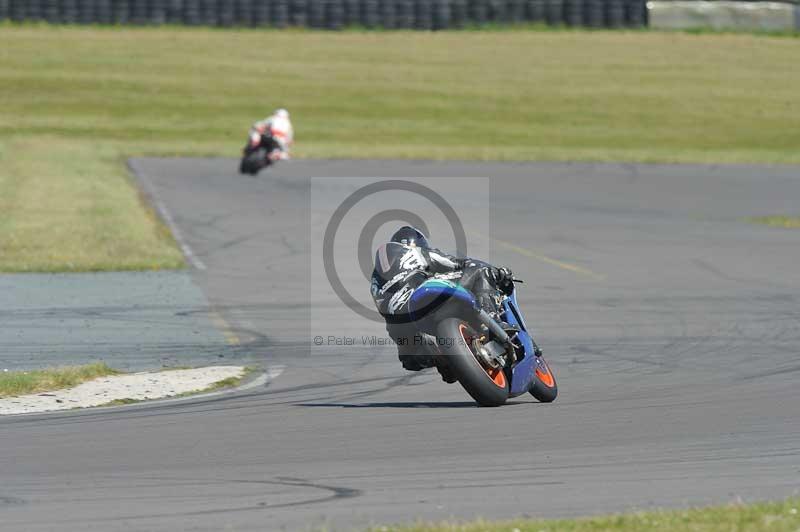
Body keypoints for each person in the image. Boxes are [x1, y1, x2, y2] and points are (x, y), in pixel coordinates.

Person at [370, 226, 515, 376]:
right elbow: (457, 264)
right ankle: (493, 319)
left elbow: (383, 308)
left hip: (400, 321)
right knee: (481, 271)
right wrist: (498, 273)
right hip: (424, 295)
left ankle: (446, 362)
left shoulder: (376, 280)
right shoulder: (418, 252)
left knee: (414, 357)